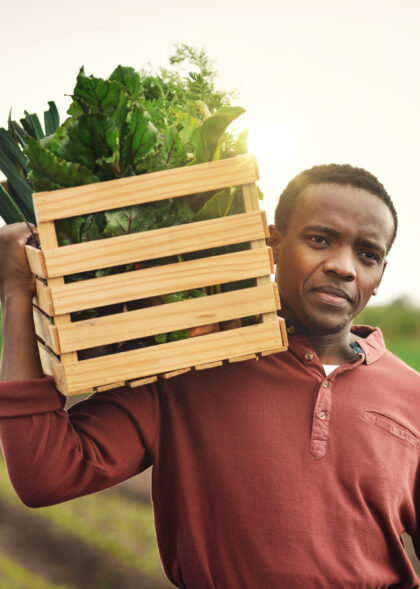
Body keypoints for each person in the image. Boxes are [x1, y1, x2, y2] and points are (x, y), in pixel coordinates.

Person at [0, 163, 419, 589]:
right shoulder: (191, 367)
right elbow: (46, 474)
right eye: (320, 240)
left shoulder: (413, 397)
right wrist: (18, 294)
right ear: (271, 245)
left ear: (381, 273)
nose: (343, 267)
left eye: (368, 254)